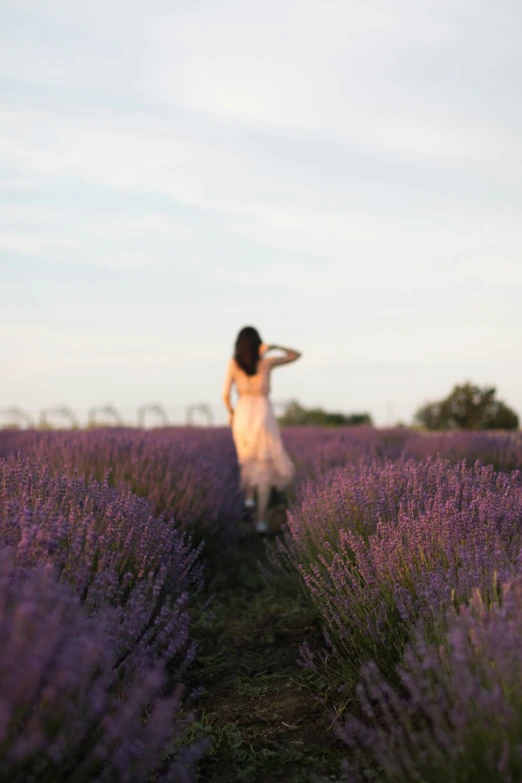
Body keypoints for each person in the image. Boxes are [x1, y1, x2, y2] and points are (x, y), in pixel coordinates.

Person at [222, 326, 301, 534]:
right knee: (264, 466)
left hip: (242, 413)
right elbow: (296, 355)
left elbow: (225, 395)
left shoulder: (233, 364)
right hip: (262, 414)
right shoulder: (266, 362)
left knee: (247, 461)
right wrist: (273, 347)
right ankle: (262, 520)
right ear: (259, 343)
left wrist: (231, 413)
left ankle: (248, 500)